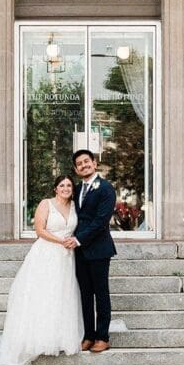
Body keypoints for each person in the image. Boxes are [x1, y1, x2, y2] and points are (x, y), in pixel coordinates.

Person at [0, 174, 83, 365]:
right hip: (47, 253)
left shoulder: (75, 206)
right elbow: (39, 230)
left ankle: (59, 337)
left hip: (66, 258)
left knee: (62, 295)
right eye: (62, 185)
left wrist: (72, 241)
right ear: (55, 188)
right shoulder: (46, 204)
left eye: (69, 185)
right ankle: (38, 338)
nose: (66, 188)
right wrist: (61, 241)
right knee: (44, 294)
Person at [63, 149, 117, 353]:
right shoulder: (76, 189)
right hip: (79, 252)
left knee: (101, 294)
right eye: (79, 164)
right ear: (76, 169)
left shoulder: (105, 189)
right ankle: (88, 335)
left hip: (99, 250)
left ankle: (103, 336)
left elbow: (100, 222)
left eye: (87, 161)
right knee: (85, 294)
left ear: (94, 163)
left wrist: (77, 239)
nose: (84, 165)